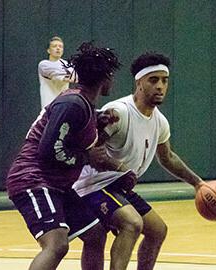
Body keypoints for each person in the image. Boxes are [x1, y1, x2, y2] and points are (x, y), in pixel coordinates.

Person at [73, 52, 206, 270]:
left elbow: (168, 158)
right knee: (132, 223)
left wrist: (197, 183)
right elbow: (90, 149)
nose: (160, 86)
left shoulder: (160, 122)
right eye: (153, 80)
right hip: (93, 186)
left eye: (165, 81)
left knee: (157, 230)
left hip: (118, 187)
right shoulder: (119, 113)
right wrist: (120, 168)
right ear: (139, 82)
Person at [5, 41, 122, 270]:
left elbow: (71, 136)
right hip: (33, 178)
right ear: (105, 78)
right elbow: (49, 151)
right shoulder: (73, 103)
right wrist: (88, 158)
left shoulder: (84, 105)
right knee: (57, 244)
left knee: (96, 234)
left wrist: (98, 120)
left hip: (56, 183)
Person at [38, 36, 77, 108]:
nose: (58, 48)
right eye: (54, 46)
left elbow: (75, 76)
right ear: (48, 50)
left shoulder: (67, 64)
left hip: (63, 106)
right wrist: (71, 74)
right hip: (48, 108)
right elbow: (70, 77)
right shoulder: (43, 65)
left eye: (60, 46)